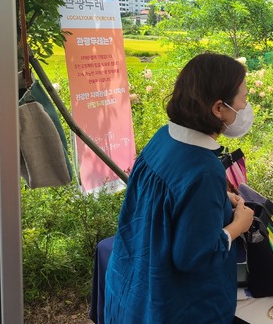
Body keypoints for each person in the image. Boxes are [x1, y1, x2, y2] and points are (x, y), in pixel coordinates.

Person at [104, 53, 255, 323]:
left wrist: (218, 199)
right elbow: (194, 257)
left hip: (133, 279)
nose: (246, 106)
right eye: (243, 98)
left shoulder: (164, 136)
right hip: (173, 304)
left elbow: (167, 202)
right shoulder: (205, 170)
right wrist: (238, 226)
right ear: (218, 108)